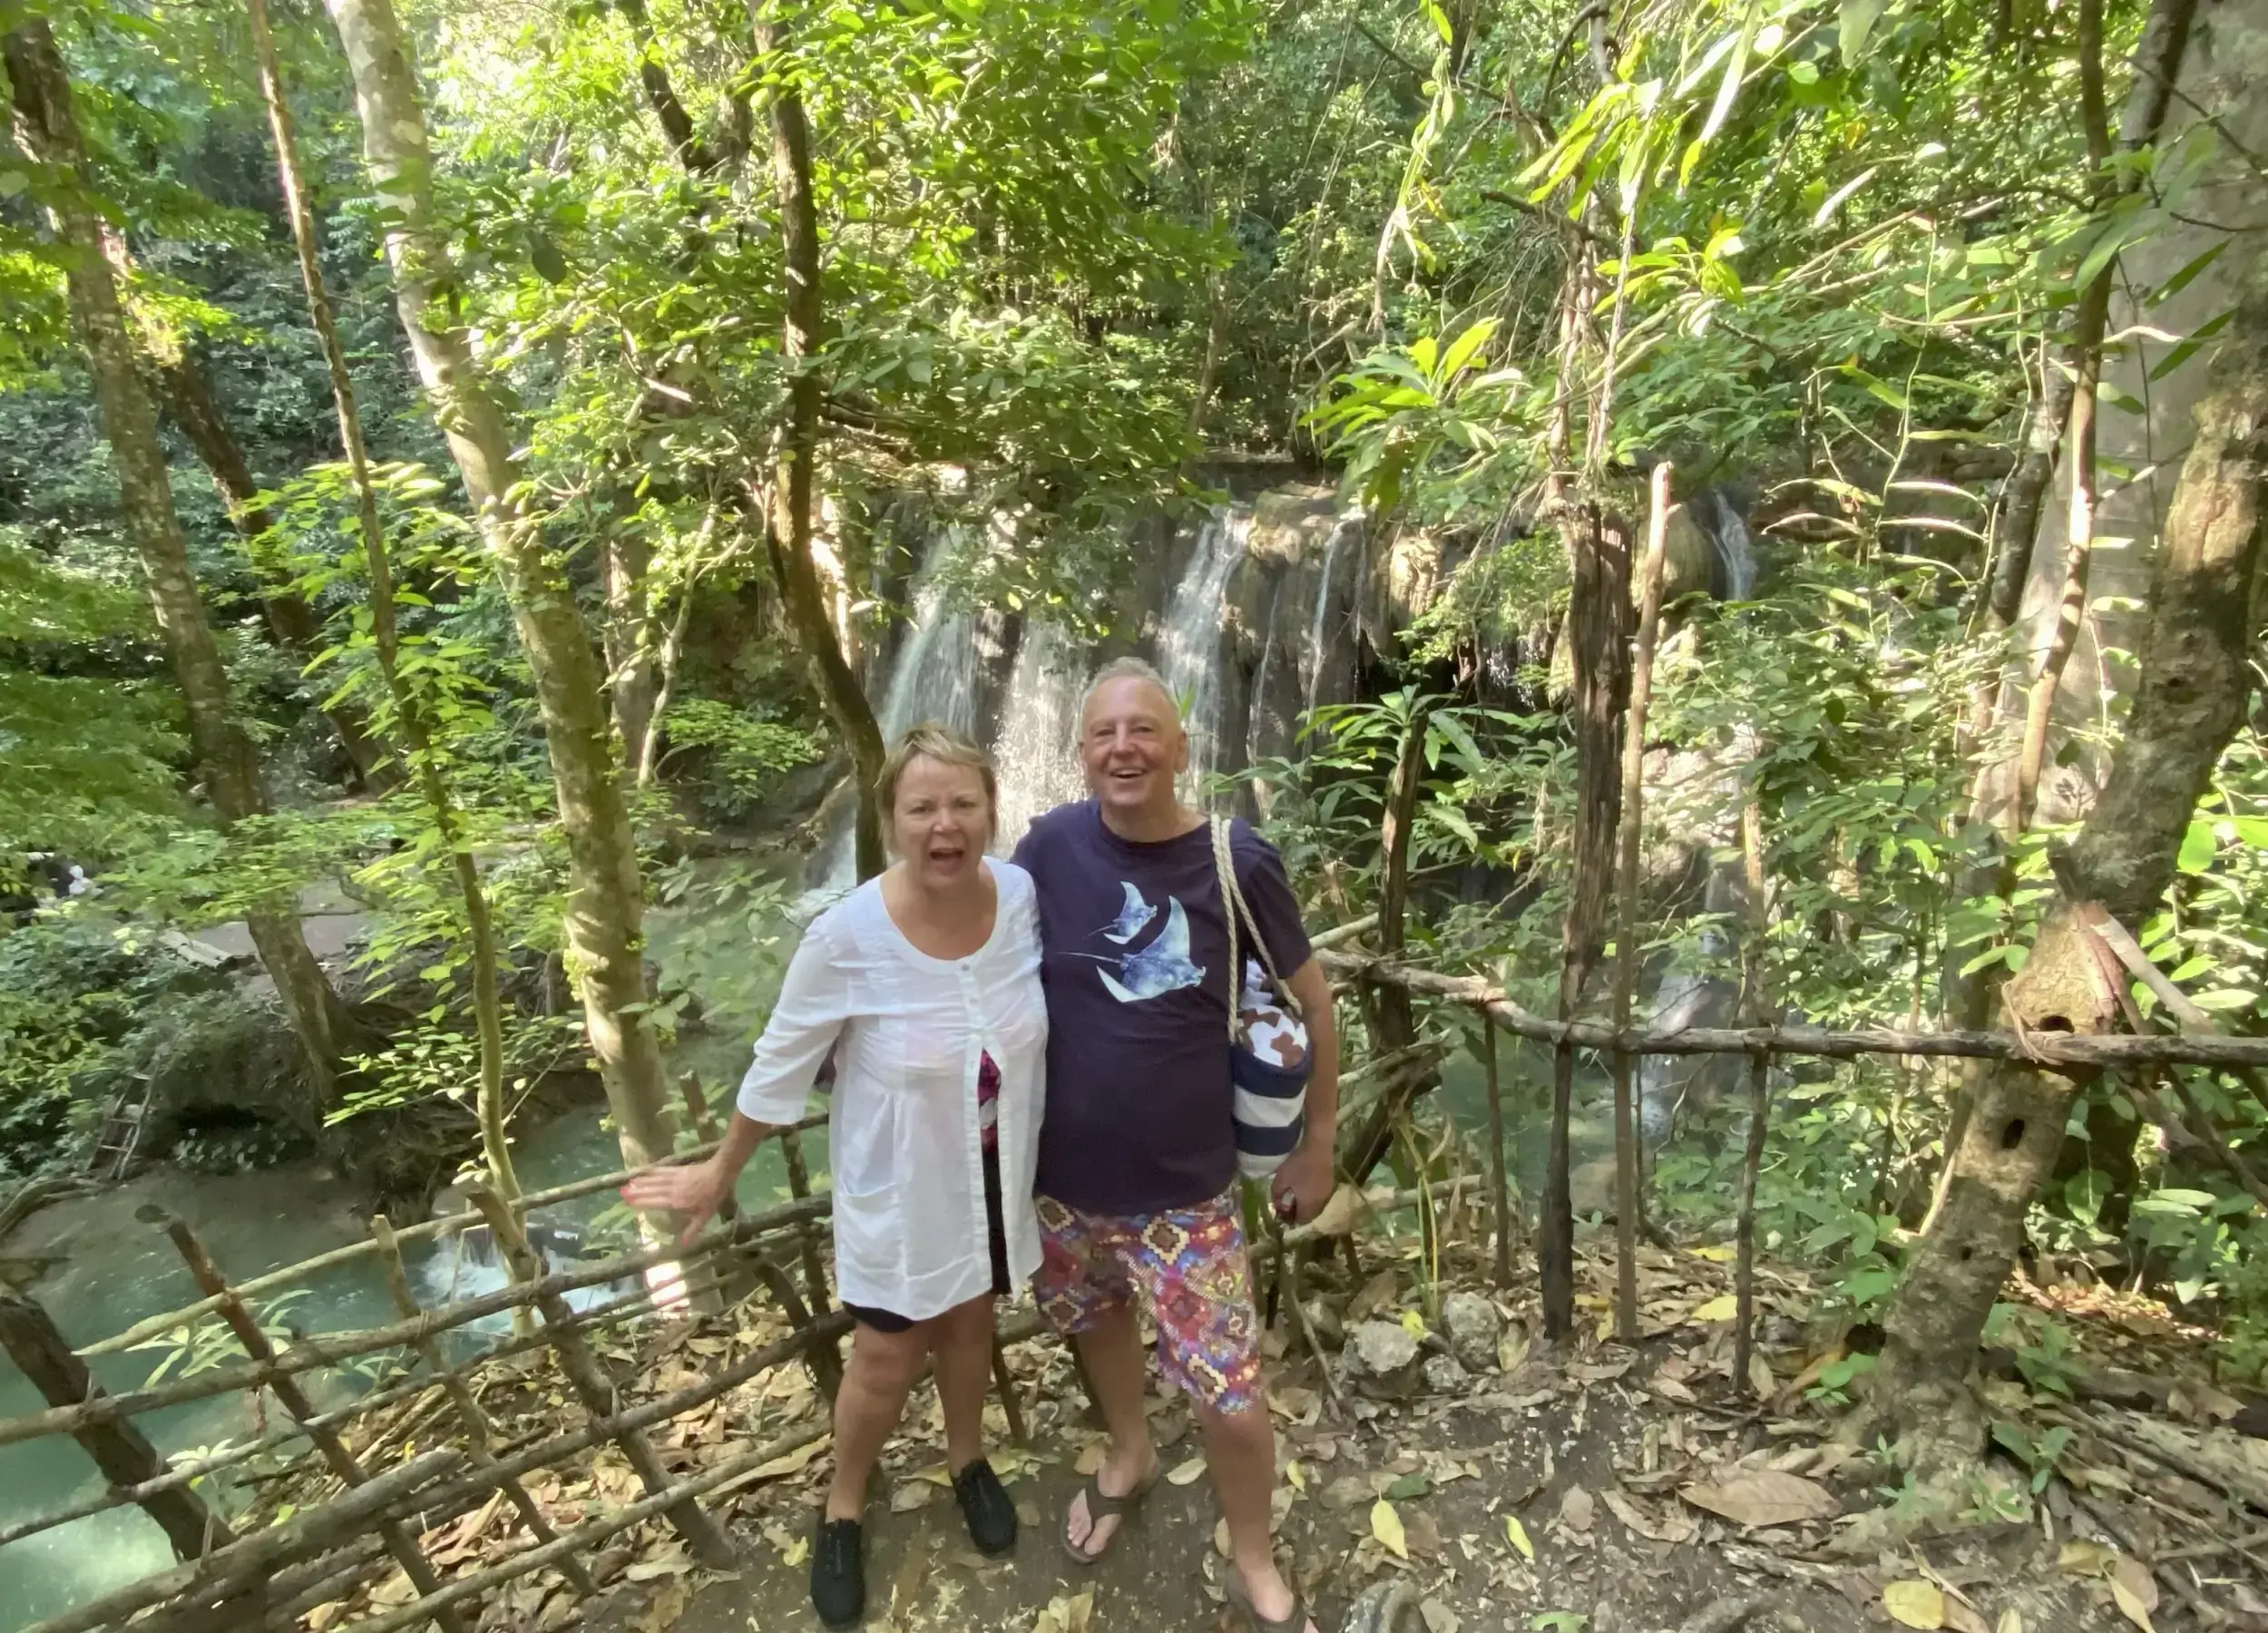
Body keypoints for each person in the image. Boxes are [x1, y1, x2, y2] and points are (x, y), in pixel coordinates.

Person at [622, 723, 1045, 1629]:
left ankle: (968, 1462)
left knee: (972, 1323)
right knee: (887, 1356)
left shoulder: (1018, 897)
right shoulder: (845, 936)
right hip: (899, 1186)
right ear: (890, 820)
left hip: (991, 1172)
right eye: (921, 806)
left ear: (990, 812)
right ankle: (843, 1507)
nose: (945, 824)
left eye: (962, 804)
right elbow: (781, 1064)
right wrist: (717, 1173)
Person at [1010, 657, 1338, 1633]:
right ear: (1079, 753)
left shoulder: (1239, 862)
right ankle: (1128, 1453)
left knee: (1231, 1398)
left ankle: (1251, 1547)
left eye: (1143, 730)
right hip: (1061, 1185)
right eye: (1105, 734)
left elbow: (1315, 1007)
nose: (1124, 748)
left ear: (1180, 748)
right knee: (1095, 1326)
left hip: (1186, 1197)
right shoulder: (1048, 847)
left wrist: (1315, 1142)